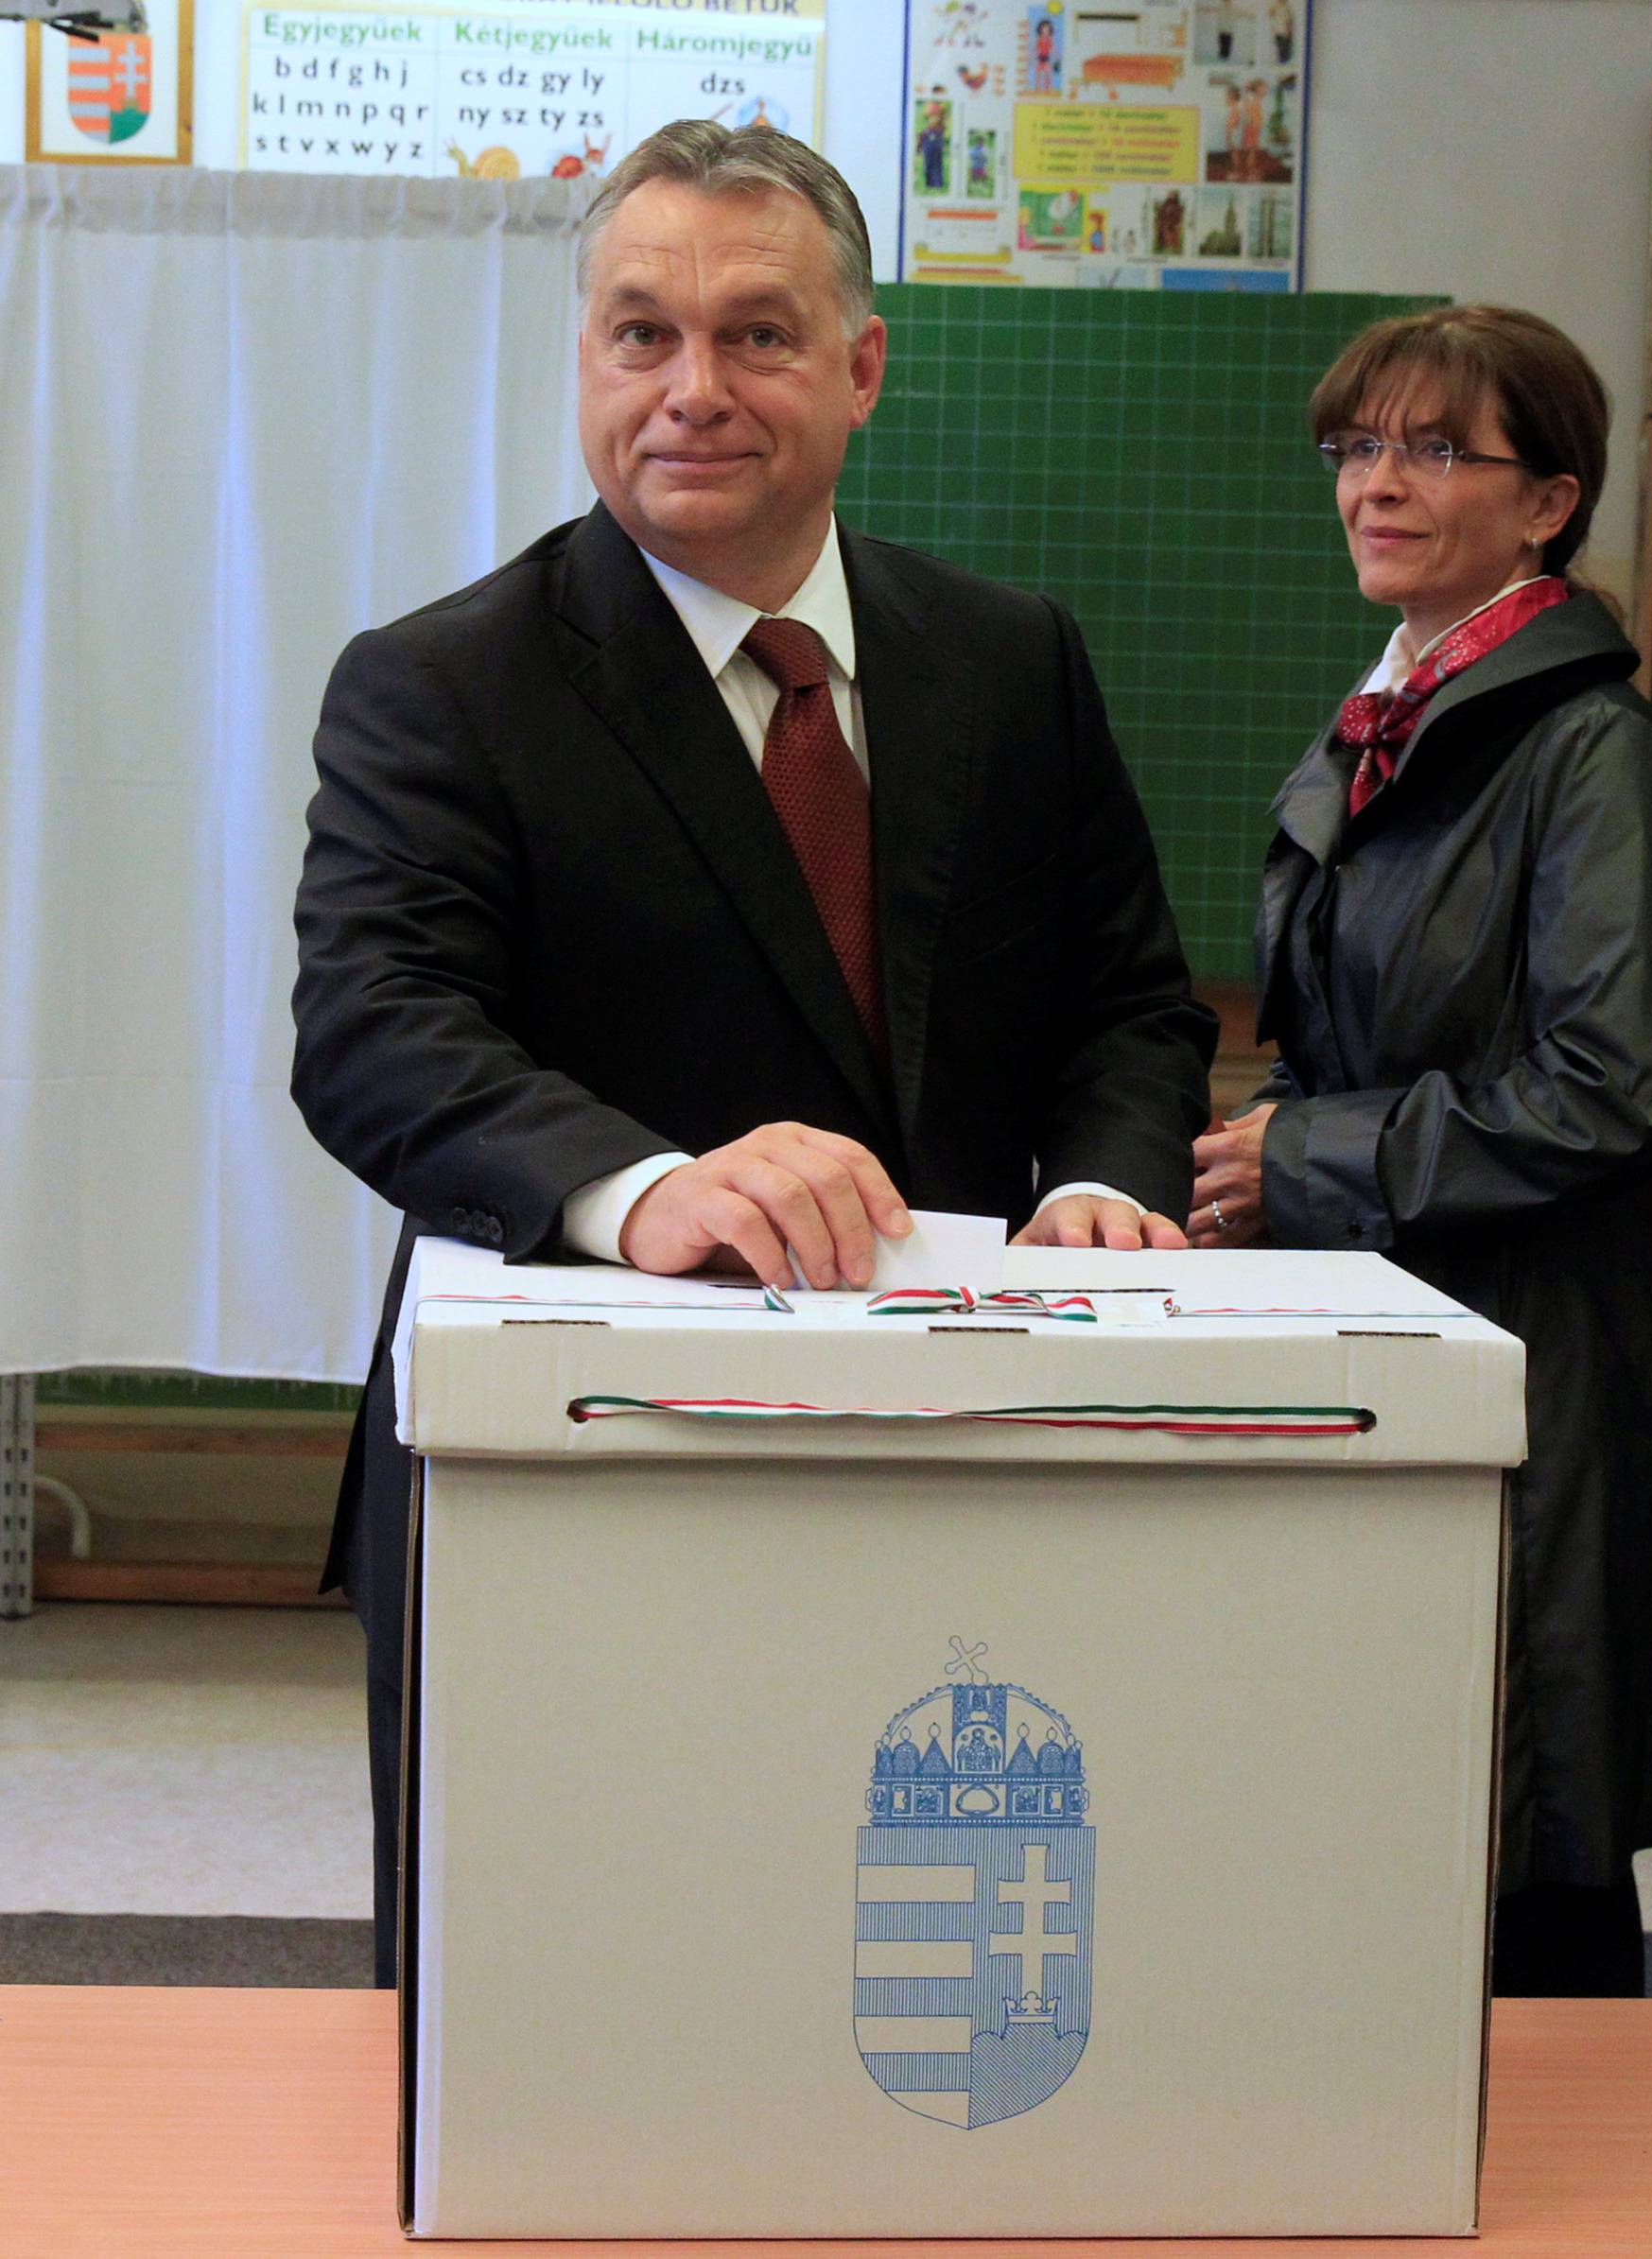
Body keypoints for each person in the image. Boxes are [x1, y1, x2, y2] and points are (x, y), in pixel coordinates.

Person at [291, 121, 1217, 1984]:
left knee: (901, 1972)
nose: (691, 389)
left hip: (964, 1446)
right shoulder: (445, 684)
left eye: (757, 335)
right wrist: (641, 1191)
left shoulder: (1010, 659)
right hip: (574, 1471)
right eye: (640, 334)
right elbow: (375, 1033)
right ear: (584, 363)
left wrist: (1110, 1178)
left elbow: (1129, 996)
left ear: (862, 366)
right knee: (562, 1995)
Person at [1189, 304, 1652, 1997]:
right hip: (1387, 1319)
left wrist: (1312, 1158)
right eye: (1358, 446)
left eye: (1437, 450)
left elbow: (1614, 1084)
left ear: (1548, 503)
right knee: (1385, 1819)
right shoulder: (1399, 707)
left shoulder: (1588, 745)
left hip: (1534, 1369)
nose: (1378, 484)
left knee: (1526, 1857)